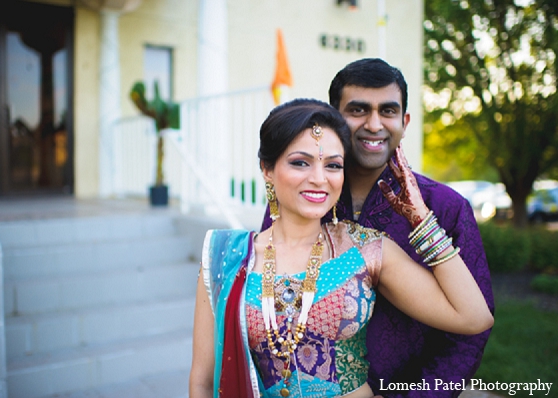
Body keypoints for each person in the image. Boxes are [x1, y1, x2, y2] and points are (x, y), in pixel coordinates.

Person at [190, 99, 493, 398]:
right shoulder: (225, 258)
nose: (319, 179)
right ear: (267, 169)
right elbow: (203, 382)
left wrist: (421, 219)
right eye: (300, 162)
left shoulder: (365, 250)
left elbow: (473, 317)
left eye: (333, 165)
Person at [261, 59, 495, 397]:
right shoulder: (299, 199)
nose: (374, 124)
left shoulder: (445, 207)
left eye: (388, 111)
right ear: (334, 119)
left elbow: (470, 333)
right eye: (358, 110)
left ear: (405, 121)